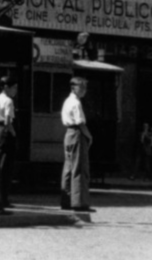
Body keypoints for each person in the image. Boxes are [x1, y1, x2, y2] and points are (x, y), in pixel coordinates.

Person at [61, 76, 94, 212]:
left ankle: (66, 200)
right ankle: (79, 202)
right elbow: (80, 122)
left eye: (85, 87)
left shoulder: (67, 101)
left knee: (68, 167)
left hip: (68, 133)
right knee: (79, 168)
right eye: (82, 87)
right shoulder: (76, 103)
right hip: (77, 133)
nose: (84, 90)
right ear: (74, 88)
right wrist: (89, 136)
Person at [0, 75, 19, 208]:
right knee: (6, 167)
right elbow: (8, 121)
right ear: (6, 87)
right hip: (5, 133)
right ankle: (3, 198)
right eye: (14, 88)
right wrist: (14, 134)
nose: (15, 91)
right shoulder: (8, 101)